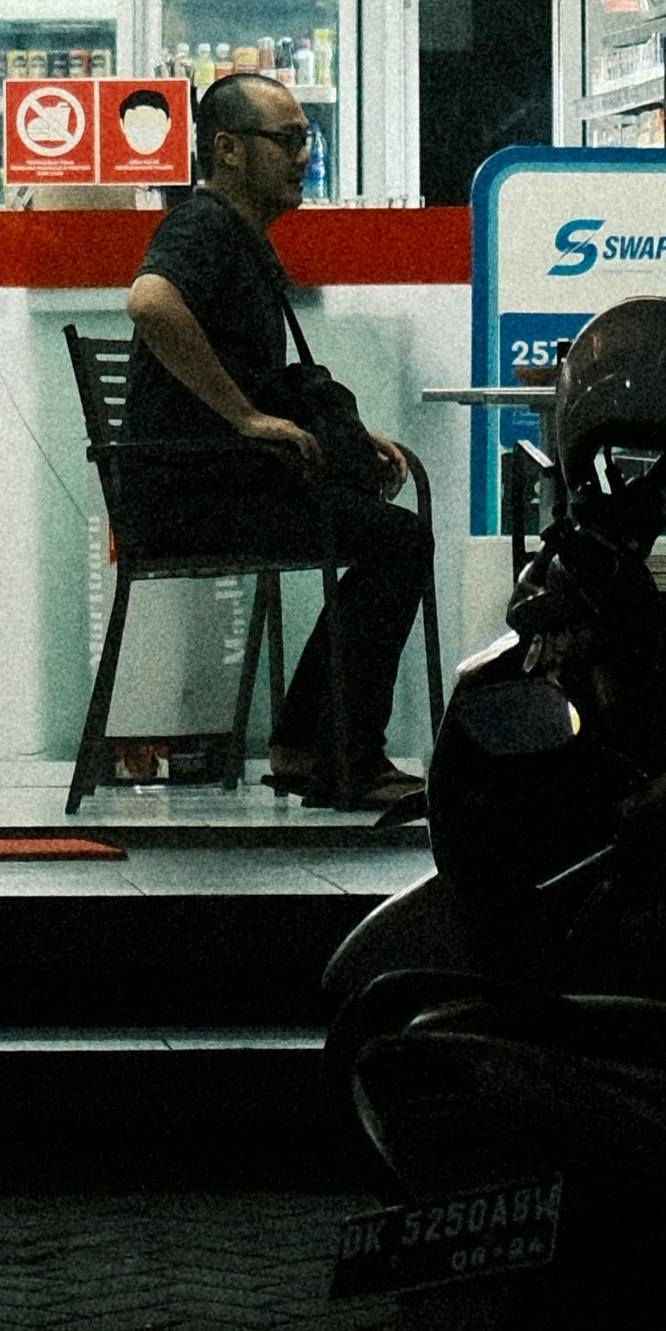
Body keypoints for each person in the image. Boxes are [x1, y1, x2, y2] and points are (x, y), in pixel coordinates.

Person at [115, 65, 438, 817]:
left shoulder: (242, 240)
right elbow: (150, 302)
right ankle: (339, 755)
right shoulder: (203, 227)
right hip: (190, 496)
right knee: (397, 543)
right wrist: (245, 420)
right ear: (228, 149)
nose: (303, 155)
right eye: (287, 139)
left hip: (215, 486)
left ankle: (304, 743)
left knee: (386, 534)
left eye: (306, 139)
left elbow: (262, 379)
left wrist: (350, 434)